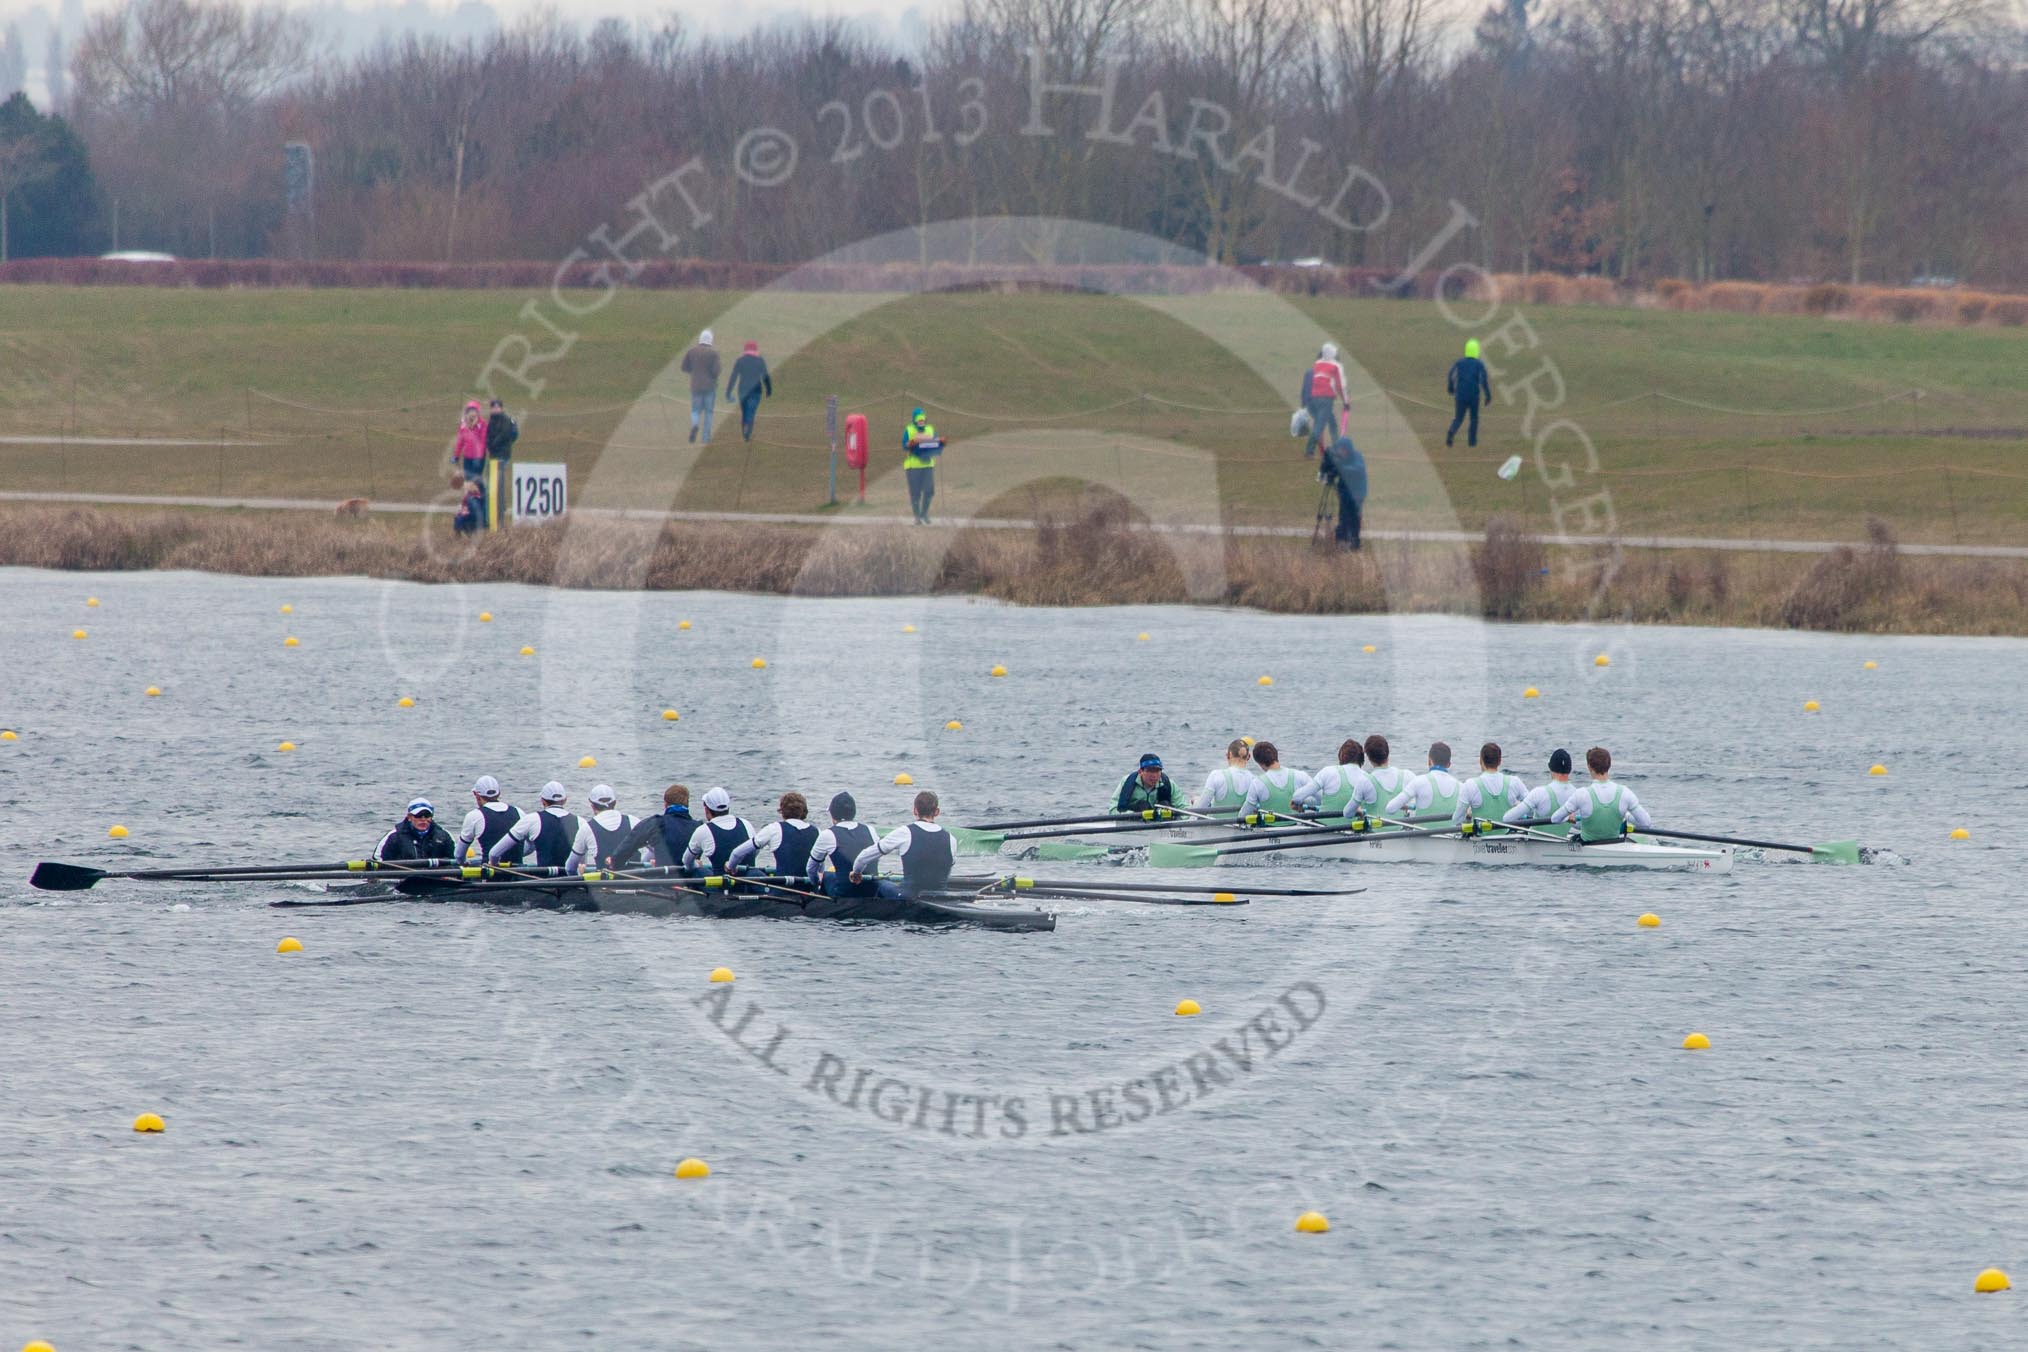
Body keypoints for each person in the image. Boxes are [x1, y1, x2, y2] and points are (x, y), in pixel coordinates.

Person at [850, 790, 953, 899]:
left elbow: (864, 857)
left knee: (880, 883)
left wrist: (856, 872)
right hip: (940, 897)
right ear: (937, 812)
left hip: (908, 897)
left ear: (915, 811)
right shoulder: (951, 838)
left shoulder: (905, 832)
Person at [1551, 746, 1657, 842]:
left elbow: (1555, 819)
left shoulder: (1581, 794)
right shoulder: (1625, 793)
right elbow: (1646, 823)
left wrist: (1569, 818)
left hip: (1588, 847)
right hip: (1615, 844)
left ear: (1589, 767)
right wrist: (1627, 815)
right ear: (1609, 765)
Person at [490, 781, 578, 868]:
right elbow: (581, 863)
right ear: (565, 800)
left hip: (542, 879)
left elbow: (494, 853)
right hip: (572, 879)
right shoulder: (580, 822)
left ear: (542, 801)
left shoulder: (532, 819)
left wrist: (495, 866)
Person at [728, 792, 817, 875]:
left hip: (782, 889)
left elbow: (736, 853)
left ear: (782, 811)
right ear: (804, 811)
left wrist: (730, 867)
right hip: (810, 889)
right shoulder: (817, 832)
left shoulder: (774, 829)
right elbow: (819, 867)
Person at [807, 792, 878, 897]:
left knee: (826, 876)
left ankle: (819, 904)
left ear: (833, 815)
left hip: (844, 894)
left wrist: (815, 884)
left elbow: (811, 869)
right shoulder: (871, 830)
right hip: (872, 891)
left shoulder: (828, 834)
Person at [616, 783, 702, 870]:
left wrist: (614, 861)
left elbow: (630, 844)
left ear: (665, 804)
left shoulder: (656, 823)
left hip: (664, 878)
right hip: (692, 878)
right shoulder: (699, 827)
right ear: (687, 804)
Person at [566, 785, 639, 874]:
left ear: (592, 806)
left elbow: (570, 867)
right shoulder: (634, 821)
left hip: (604, 886)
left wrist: (579, 879)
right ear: (615, 803)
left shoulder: (586, 828)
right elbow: (654, 849)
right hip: (636, 884)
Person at [1455, 743, 1528, 831]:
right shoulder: (1514, 782)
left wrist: (1468, 816)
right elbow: (1532, 807)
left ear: (1480, 761)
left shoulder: (1470, 785)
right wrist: (1518, 808)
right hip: (1508, 840)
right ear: (1500, 761)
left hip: (1479, 842)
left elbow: (1457, 819)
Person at [682, 786, 754, 875]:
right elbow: (755, 851)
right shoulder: (746, 824)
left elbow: (687, 862)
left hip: (721, 887)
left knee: (698, 873)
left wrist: (696, 865)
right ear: (728, 807)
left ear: (706, 809)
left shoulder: (703, 830)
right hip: (750, 883)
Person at [456, 775, 524, 865]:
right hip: (519, 872)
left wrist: (463, 864)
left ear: (476, 795)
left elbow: (459, 855)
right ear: (499, 793)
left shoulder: (474, 816)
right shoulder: (519, 812)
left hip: (490, 874)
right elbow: (531, 845)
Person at [1386, 741, 1464, 819]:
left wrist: (1410, 807)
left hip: (1423, 831)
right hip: (1452, 831)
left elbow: (1390, 809)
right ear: (1449, 764)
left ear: (1429, 761)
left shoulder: (1419, 782)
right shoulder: (1460, 786)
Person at [1239, 741, 1318, 818]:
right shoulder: (1300, 775)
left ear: (1260, 763)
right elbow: (1320, 798)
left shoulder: (1257, 783)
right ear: (1276, 755)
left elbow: (1244, 814)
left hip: (1269, 829)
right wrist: (1303, 801)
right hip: (1297, 827)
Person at [1320, 433, 1368, 551]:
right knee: (1344, 517)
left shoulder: (1357, 456)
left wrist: (1340, 467)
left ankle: (1354, 543)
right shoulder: (1341, 458)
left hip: (1357, 493)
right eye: (1339, 449)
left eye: (1342, 449)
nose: (1340, 452)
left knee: (1354, 518)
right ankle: (1341, 541)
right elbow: (1332, 470)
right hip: (1344, 492)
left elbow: (1357, 469)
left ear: (1347, 449)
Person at [1302, 342, 1348, 459]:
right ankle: (1309, 451)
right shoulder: (1336, 366)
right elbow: (1339, 385)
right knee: (1319, 426)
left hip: (1314, 398)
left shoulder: (1317, 363)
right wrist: (1345, 401)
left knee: (1332, 423)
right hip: (1326, 399)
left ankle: (1337, 448)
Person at [1311, 739, 1377, 821]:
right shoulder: (1369, 778)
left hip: (1324, 827)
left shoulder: (1328, 771)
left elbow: (1300, 797)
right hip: (1355, 829)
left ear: (1341, 757)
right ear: (1361, 759)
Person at [375, 797, 456, 862]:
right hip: (403, 879)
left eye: (427, 815)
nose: (423, 819)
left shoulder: (444, 836)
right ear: (409, 817)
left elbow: (456, 860)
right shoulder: (394, 836)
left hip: (438, 879)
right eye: (418, 815)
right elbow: (379, 860)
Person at [1192, 738, 1260, 813]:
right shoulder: (1255, 780)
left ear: (1228, 755)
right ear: (1249, 756)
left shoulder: (1216, 775)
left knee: (1195, 800)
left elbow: (1201, 808)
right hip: (1241, 824)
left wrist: (1195, 802)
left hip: (1216, 824)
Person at [1446, 338, 1491, 449]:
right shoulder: (1479, 364)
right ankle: (1472, 442)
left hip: (1460, 395)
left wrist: (1451, 388)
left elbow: (1451, 374)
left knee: (1458, 418)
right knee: (1474, 419)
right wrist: (1488, 395)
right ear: (1477, 351)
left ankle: (1451, 432)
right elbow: (1483, 380)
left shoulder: (1459, 363)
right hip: (1474, 396)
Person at [725, 340, 773, 443]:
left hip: (742, 390)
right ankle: (747, 433)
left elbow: (733, 377)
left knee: (745, 412)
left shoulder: (740, 360)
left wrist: (728, 392)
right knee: (751, 412)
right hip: (756, 391)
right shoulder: (760, 360)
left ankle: (745, 434)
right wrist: (768, 389)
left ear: (745, 350)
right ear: (755, 350)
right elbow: (765, 376)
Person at [681, 329, 721, 444]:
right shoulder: (714, 353)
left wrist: (694, 373)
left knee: (695, 410)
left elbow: (684, 367)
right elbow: (716, 371)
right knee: (709, 412)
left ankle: (694, 425)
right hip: (710, 387)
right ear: (710, 340)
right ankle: (705, 438)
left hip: (695, 386)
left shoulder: (691, 351)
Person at [1362, 735, 1414, 824]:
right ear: (1388, 753)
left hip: (1374, 834)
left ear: (1369, 758)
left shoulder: (1365, 781)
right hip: (1400, 833)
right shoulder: (1407, 775)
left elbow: (1349, 812)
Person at [902, 407, 940, 525]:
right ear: (914, 420)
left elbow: (936, 442)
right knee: (915, 492)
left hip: (928, 464)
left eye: (923, 420)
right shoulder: (909, 430)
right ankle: (917, 517)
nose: (921, 423)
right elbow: (904, 445)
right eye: (919, 421)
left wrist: (937, 443)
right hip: (913, 466)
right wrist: (913, 442)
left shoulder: (930, 429)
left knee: (929, 491)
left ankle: (924, 514)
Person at [484, 397, 518, 527]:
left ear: (501, 408)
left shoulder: (505, 420)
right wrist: (490, 445)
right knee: (494, 485)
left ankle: (500, 510)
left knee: (497, 484)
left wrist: (494, 444)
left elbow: (506, 435)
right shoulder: (491, 421)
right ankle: (497, 511)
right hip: (493, 456)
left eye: (498, 407)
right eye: (493, 407)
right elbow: (488, 436)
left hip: (502, 455)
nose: (495, 409)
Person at [451, 401, 486, 482]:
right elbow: (460, 442)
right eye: (470, 411)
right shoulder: (463, 425)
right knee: (467, 479)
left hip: (478, 458)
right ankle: (469, 494)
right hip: (467, 457)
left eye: (474, 411)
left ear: (477, 412)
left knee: (476, 479)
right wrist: (456, 455)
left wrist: (478, 457)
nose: (472, 413)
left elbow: (483, 442)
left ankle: (478, 494)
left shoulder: (482, 424)